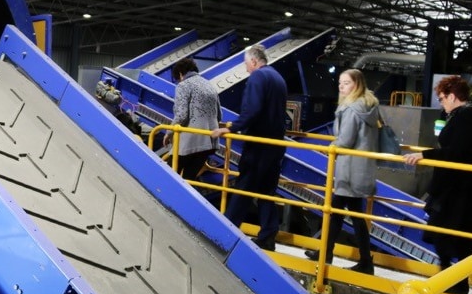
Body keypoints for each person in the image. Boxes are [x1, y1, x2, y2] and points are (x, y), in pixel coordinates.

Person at [212, 44, 287, 251]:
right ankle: (268, 236)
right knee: (266, 191)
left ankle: (225, 230)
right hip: (275, 145)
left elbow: (252, 109)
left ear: (254, 61)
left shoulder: (258, 77)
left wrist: (232, 128)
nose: (246, 69)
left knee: (244, 187)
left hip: (258, 144)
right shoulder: (278, 78)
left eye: (246, 64)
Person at [404, 75, 472, 294]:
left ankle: (456, 281)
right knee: (452, 236)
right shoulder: (458, 115)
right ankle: (455, 280)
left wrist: (424, 154)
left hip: (457, 189)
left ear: (452, 96)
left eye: (442, 98)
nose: (441, 102)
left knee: (446, 235)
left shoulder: (465, 116)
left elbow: (455, 152)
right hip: (455, 188)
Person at [305, 69, 377, 274]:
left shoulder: (353, 109)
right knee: (343, 213)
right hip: (359, 168)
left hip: (350, 170)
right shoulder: (368, 105)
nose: (341, 86)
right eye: (340, 83)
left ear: (356, 85)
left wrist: (330, 147)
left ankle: (361, 260)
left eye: (345, 83)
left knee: (339, 212)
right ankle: (333, 253)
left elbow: (345, 140)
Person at [162, 58, 221, 182]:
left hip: (190, 142)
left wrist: (169, 133)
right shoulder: (209, 84)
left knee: (168, 177)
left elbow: (182, 115)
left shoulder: (183, 85)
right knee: (188, 180)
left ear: (180, 74)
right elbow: (219, 115)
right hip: (209, 142)